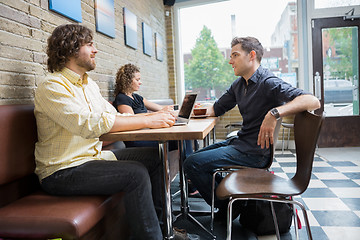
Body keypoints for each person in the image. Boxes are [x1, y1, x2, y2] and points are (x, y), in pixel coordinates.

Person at [34, 24, 176, 240]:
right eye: (89, 44)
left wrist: (150, 118)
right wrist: (149, 119)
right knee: (135, 174)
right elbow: (87, 124)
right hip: (62, 170)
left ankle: (161, 230)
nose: (95, 50)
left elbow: (113, 115)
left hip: (92, 158)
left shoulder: (88, 85)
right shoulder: (51, 86)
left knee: (156, 157)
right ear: (71, 48)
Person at [183, 36, 321, 220]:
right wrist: (183, 114)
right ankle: (231, 203)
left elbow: (312, 100)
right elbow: (216, 108)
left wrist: (274, 113)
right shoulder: (239, 84)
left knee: (192, 164)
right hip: (240, 144)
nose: (230, 61)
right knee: (193, 159)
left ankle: (228, 208)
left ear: (251, 56)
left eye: (235, 55)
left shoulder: (268, 82)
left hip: (254, 153)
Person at [113, 63, 194, 157]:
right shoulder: (122, 98)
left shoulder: (137, 97)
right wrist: (159, 114)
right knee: (182, 138)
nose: (140, 82)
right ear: (127, 81)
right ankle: (190, 166)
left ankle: (190, 164)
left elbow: (160, 108)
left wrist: (179, 110)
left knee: (185, 135)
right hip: (138, 139)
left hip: (148, 133)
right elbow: (130, 121)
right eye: (137, 80)